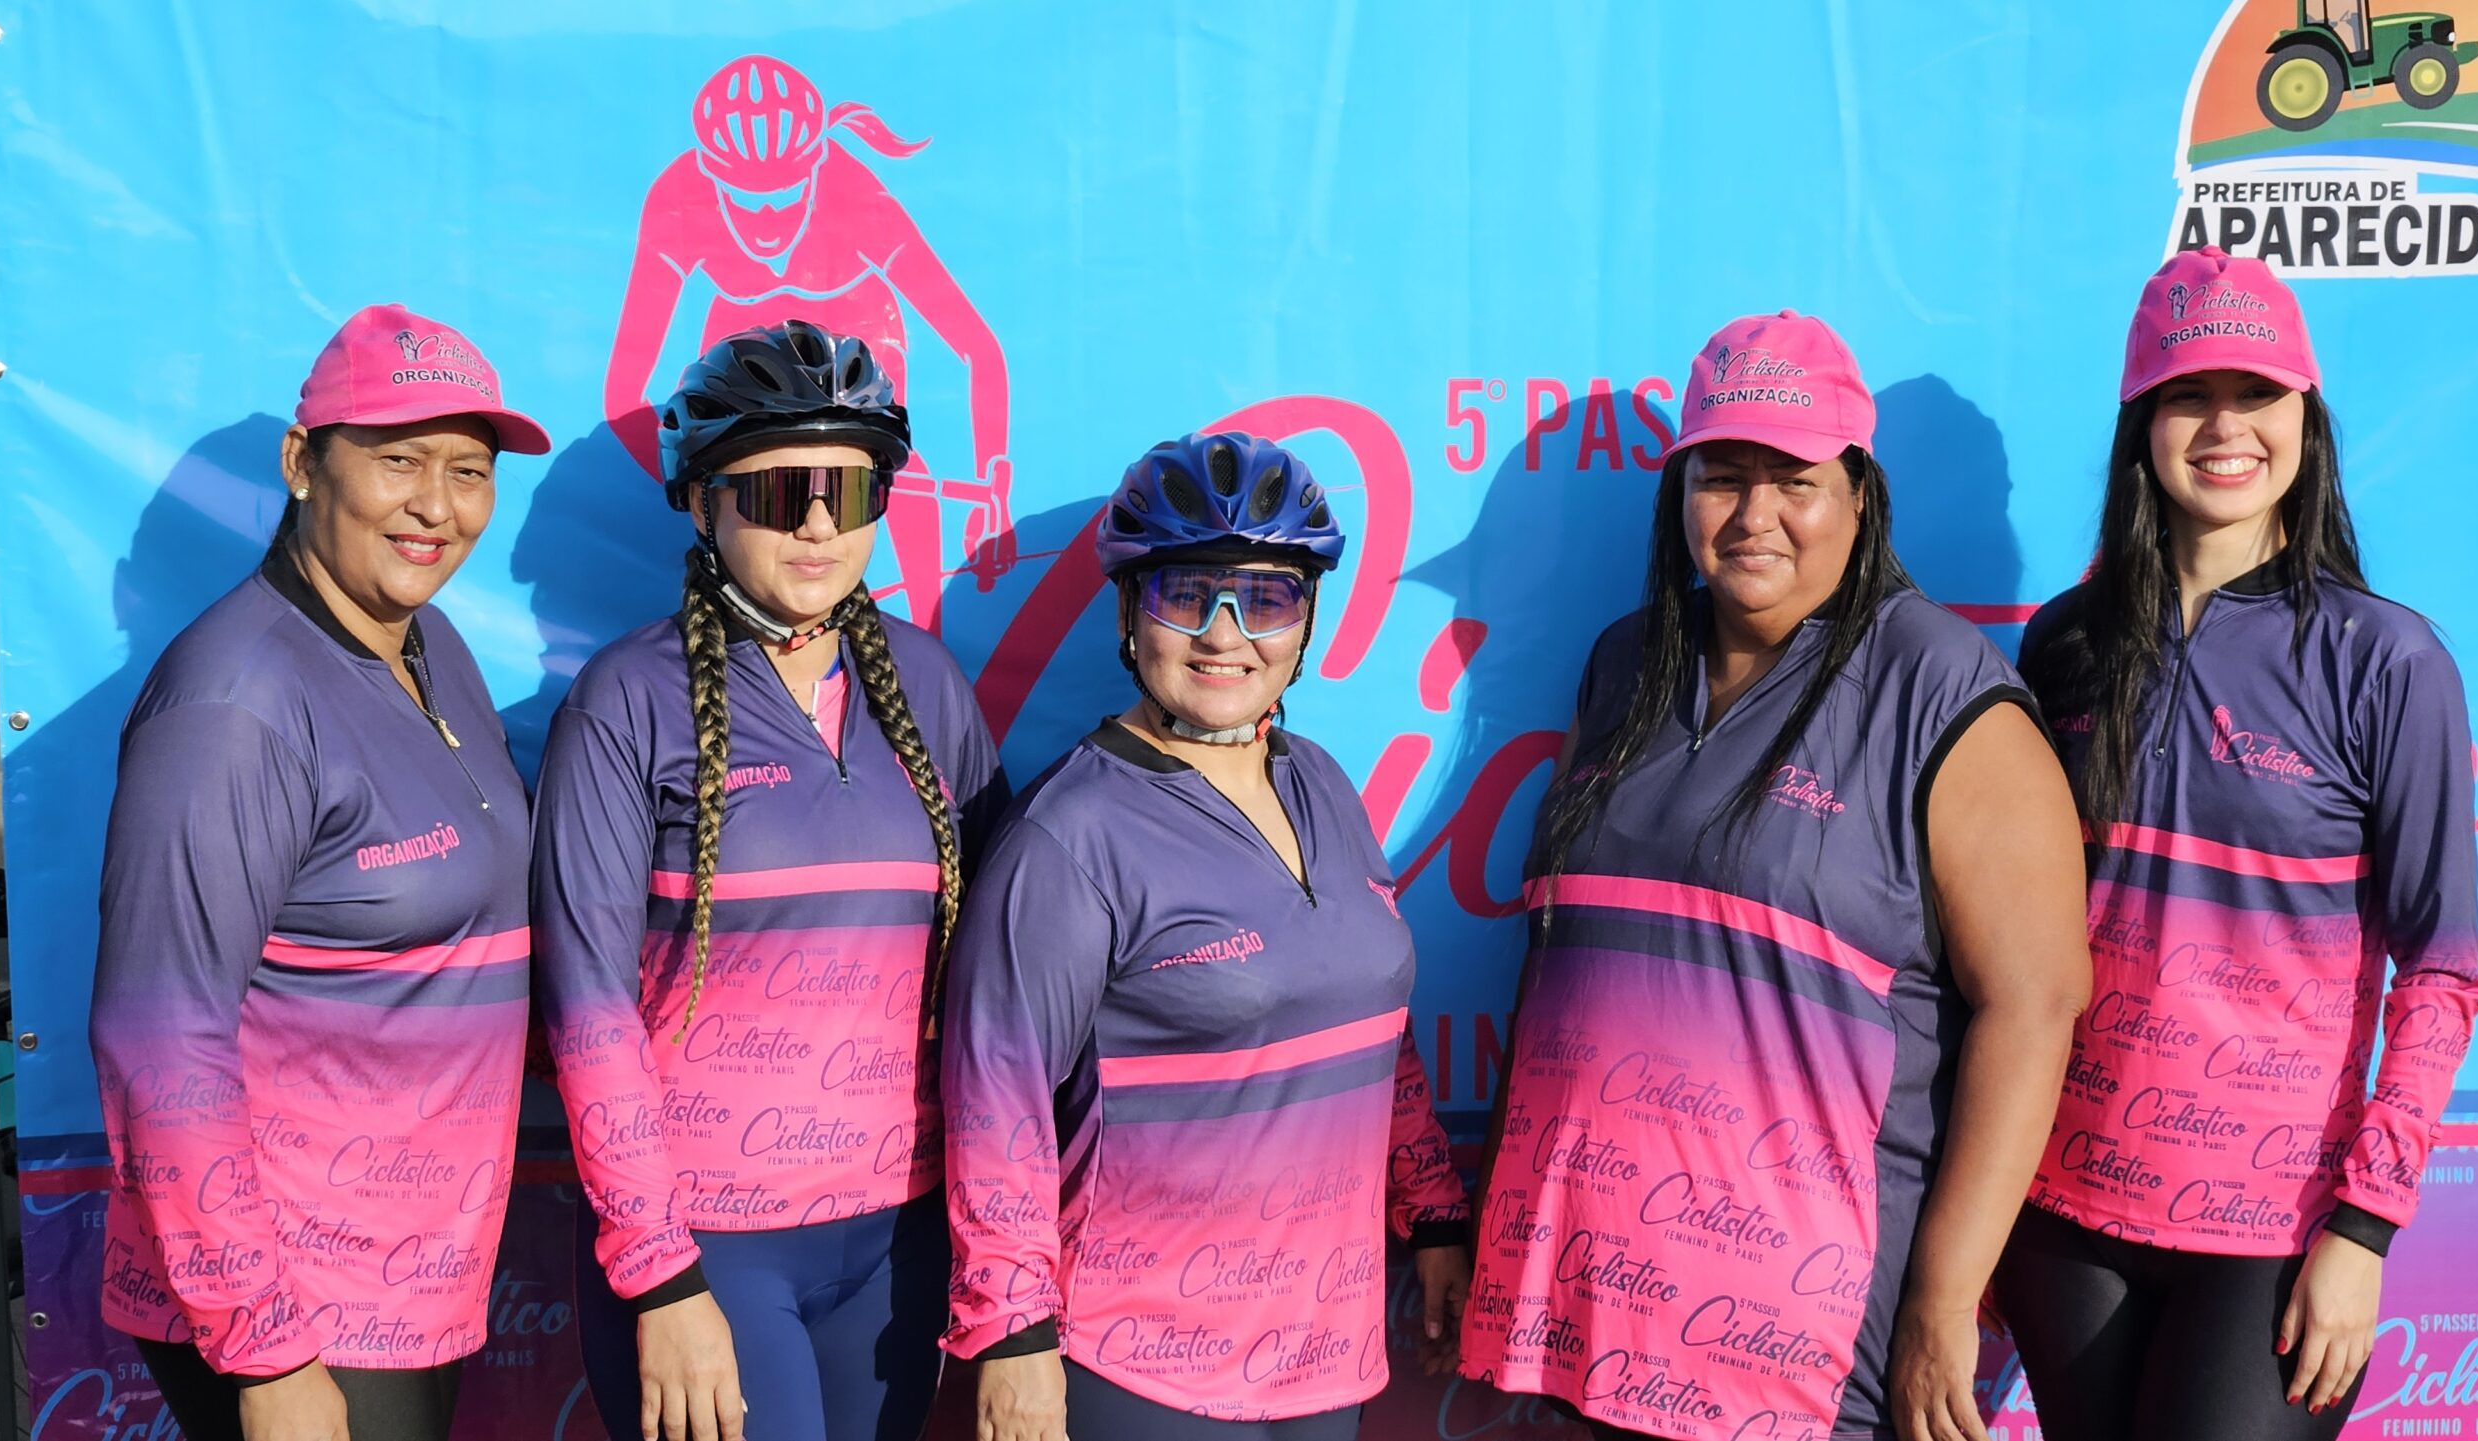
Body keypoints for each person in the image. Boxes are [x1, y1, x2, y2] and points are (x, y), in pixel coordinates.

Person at [1457, 310, 2093, 1441]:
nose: (1754, 515)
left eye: (1795, 480)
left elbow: (2036, 1002)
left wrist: (1945, 1298)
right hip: (1574, 1306)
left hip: (1790, 1348)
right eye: (1722, 477)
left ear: (1859, 496)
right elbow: (1558, 967)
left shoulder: (1939, 690)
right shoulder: (1625, 662)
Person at [1993, 247, 2478, 1438]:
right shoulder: (2063, 644)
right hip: (2059, 1209)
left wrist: (2362, 1228)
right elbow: (2006, 940)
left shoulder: (2387, 660)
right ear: (2141, 423)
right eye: (2188, 395)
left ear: (2304, 418)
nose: (2224, 427)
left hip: (2272, 1231)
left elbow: (2440, 971)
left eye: (2256, 394)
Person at [939, 431, 1473, 1441]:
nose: (1224, 633)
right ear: (1128, 613)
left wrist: (1433, 1207)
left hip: (1326, 1354)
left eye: (1265, 599)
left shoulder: (1322, 781)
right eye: (1186, 594)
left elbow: (1373, 1020)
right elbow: (994, 1098)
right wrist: (1011, 1339)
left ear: (1305, 620)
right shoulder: (1069, 834)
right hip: (1142, 1363)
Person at [535, 318, 1005, 1441]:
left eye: (849, 491)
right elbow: (586, 1009)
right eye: (780, 490)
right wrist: (660, 1275)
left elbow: (1001, 982)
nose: (816, 524)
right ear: (702, 503)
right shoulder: (625, 700)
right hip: (708, 1247)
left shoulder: (928, 684)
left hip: (898, 1236)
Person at [89, 303, 550, 1441]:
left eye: (469, 471)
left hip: (415, 1269)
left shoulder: (429, 645)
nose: (437, 505)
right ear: (304, 463)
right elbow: (159, 1039)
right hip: (298, 1299)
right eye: (398, 460)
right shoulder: (233, 706)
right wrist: (266, 1349)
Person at [605, 53, 1015, 628]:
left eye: (786, 197)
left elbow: (976, 347)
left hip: (860, 314)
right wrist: (706, 486)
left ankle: (927, 631)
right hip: (743, 328)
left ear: (816, 169)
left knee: (883, 464)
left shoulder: (853, 191)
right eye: (746, 201)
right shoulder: (678, 197)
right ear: (712, 177)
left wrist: (994, 482)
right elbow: (624, 388)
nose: (767, 221)